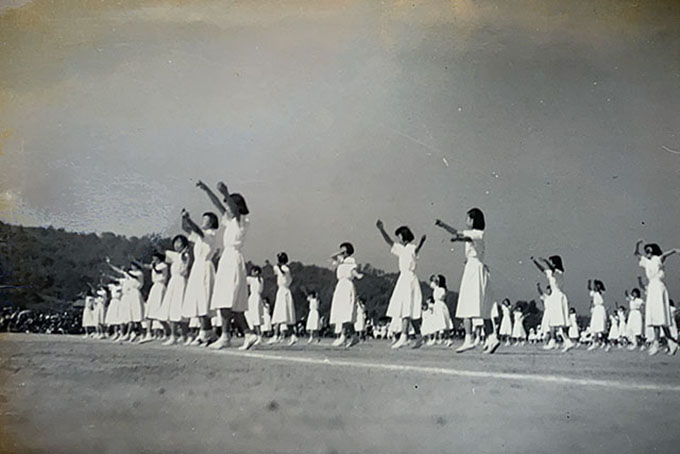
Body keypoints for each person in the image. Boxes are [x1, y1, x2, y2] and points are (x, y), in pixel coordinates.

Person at [197, 180, 254, 350]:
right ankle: (236, 335)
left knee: (229, 300)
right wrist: (207, 190)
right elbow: (219, 206)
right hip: (226, 259)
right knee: (225, 300)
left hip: (233, 259)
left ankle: (228, 336)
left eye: (229, 205)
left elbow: (233, 209)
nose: (226, 209)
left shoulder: (241, 220)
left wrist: (226, 193)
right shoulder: (229, 221)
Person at [435, 208, 498, 353]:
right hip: (478, 268)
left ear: (473, 220)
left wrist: (443, 225)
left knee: (467, 304)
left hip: (473, 269)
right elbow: (465, 238)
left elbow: (459, 233)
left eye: (468, 218)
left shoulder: (477, 233)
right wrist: (458, 239)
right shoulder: (477, 235)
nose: (466, 221)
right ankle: (492, 337)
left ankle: (469, 339)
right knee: (484, 308)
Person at [376, 220, 427, 349]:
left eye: (399, 236)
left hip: (410, 279)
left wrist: (421, 242)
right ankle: (419, 336)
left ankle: (404, 336)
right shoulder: (400, 248)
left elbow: (417, 250)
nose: (398, 239)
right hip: (403, 279)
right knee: (408, 309)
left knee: (408, 309)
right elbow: (389, 242)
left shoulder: (411, 247)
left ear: (405, 236)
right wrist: (382, 230)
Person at [180, 209, 219, 346]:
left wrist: (189, 219)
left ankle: (204, 334)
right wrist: (184, 218)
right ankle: (208, 334)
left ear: (212, 223)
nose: (203, 222)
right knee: (198, 300)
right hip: (197, 268)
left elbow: (197, 230)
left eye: (205, 220)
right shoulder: (199, 237)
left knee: (204, 301)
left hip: (205, 268)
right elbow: (186, 229)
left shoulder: (210, 234)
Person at [635, 240, 680, 356]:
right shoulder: (646, 261)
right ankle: (671, 342)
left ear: (653, 251)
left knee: (658, 316)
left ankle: (656, 342)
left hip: (658, 287)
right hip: (651, 288)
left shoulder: (657, 259)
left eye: (649, 250)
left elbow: (665, 255)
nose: (647, 252)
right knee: (656, 317)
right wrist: (637, 245)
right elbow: (636, 254)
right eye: (646, 251)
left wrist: (674, 251)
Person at [531, 256, 575, 352]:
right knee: (556, 321)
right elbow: (543, 270)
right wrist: (535, 262)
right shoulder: (551, 273)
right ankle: (566, 341)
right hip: (556, 297)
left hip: (557, 297)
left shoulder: (558, 273)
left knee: (554, 321)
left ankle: (553, 341)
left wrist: (545, 261)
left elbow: (550, 268)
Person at [158, 234, 191, 346]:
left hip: (181, 282)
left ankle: (184, 335)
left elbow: (184, 261)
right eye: (175, 242)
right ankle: (174, 335)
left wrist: (183, 255)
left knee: (180, 309)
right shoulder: (174, 255)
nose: (177, 244)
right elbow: (162, 252)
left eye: (179, 242)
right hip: (173, 282)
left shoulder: (185, 255)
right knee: (172, 308)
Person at [329, 242, 364, 347]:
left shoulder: (351, 260)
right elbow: (332, 257)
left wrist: (357, 275)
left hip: (347, 286)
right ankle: (345, 336)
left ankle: (348, 336)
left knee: (346, 313)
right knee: (340, 312)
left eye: (344, 250)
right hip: (340, 286)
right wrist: (340, 254)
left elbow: (352, 270)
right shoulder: (340, 260)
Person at [139, 252, 169, 344]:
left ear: (159, 258)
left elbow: (157, 271)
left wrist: (153, 266)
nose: (153, 259)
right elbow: (146, 266)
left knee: (160, 312)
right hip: (155, 287)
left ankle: (168, 332)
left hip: (160, 287)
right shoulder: (155, 265)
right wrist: (136, 262)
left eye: (154, 257)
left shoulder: (163, 265)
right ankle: (148, 334)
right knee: (149, 311)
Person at [270, 252, 298, 345]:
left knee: (280, 314)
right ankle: (292, 335)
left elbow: (275, 270)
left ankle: (275, 335)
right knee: (287, 315)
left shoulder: (279, 268)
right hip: (286, 291)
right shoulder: (287, 269)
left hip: (282, 291)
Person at [244, 266, 265, 348]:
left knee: (254, 316)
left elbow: (243, 280)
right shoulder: (261, 280)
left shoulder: (252, 279)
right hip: (257, 298)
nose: (251, 273)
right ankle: (256, 334)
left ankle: (258, 335)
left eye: (253, 271)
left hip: (254, 298)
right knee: (253, 316)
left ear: (256, 272)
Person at [587, 280, 607, 351]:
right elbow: (590, 289)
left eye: (597, 286)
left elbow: (601, 291)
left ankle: (605, 342)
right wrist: (589, 284)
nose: (596, 287)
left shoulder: (602, 292)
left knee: (601, 326)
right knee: (595, 326)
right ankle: (595, 342)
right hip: (596, 309)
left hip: (600, 309)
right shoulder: (594, 293)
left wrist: (598, 288)